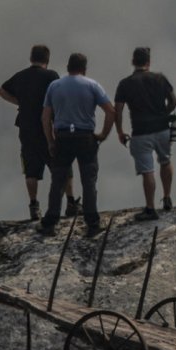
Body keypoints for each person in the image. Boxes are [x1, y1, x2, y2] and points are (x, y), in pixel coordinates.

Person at [38, 53, 115, 238]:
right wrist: (103, 135)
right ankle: (92, 223)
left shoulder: (54, 86)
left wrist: (50, 141)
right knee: (88, 181)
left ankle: (50, 223)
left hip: (63, 137)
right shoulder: (92, 85)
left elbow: (45, 117)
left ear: (68, 66)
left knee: (58, 181)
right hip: (85, 137)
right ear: (84, 68)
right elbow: (110, 111)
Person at [0, 44, 78, 221]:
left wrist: (20, 101)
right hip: (48, 127)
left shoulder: (20, 76)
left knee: (31, 170)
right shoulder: (51, 76)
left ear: (31, 58)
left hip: (26, 129)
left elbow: (1, 91)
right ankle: (71, 203)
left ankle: (34, 206)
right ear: (47, 60)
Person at [114, 47, 176, 221]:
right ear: (148, 62)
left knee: (147, 170)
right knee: (166, 160)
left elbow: (118, 111)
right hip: (163, 129)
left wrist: (120, 131)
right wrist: (163, 114)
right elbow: (174, 101)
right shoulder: (160, 78)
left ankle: (150, 208)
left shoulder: (125, 84)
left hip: (141, 131)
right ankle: (167, 197)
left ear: (133, 62)